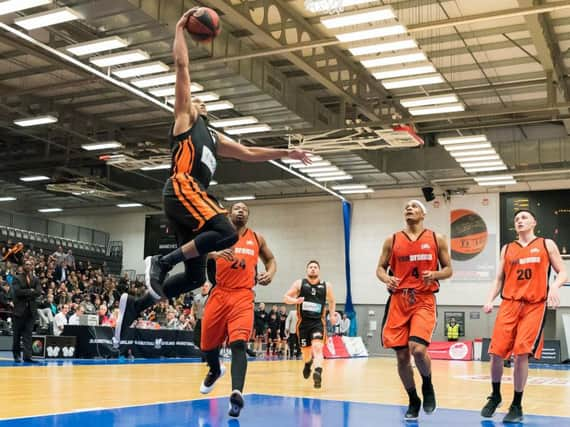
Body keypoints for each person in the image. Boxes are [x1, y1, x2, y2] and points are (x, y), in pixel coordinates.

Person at [113, 8, 310, 346]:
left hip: (192, 202)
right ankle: (162, 261)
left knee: (193, 277)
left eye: (201, 100)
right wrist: (179, 29)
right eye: (194, 98)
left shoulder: (213, 138)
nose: (197, 100)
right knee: (225, 230)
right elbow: (182, 68)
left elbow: (248, 153)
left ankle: (136, 306)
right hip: (181, 187)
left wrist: (286, 153)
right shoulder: (185, 120)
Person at [480, 209, 567, 423]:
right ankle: (496, 394)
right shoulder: (507, 248)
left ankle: (517, 404)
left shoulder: (547, 244)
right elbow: (498, 278)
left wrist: (555, 286)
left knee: (520, 354)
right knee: (496, 353)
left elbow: (563, 271)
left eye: (524, 217)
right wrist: (490, 299)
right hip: (509, 303)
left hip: (534, 305)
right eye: (517, 219)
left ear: (534, 222)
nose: (519, 221)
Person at [376, 199, 452, 420]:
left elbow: (448, 269)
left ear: (423, 214)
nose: (409, 208)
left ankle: (427, 385)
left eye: (414, 206)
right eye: (406, 207)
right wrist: (386, 278)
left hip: (424, 299)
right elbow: (380, 268)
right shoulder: (392, 240)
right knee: (401, 357)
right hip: (399, 300)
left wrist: (436, 274)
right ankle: (413, 399)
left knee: (418, 350)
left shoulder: (436, 239)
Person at [198, 202, 276, 418]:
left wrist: (271, 272)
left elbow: (270, 259)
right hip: (220, 293)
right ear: (230, 214)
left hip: (243, 295)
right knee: (207, 346)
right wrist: (214, 255)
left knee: (239, 343)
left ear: (248, 216)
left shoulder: (257, 238)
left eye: (245, 209)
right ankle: (215, 370)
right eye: (237, 208)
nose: (241, 211)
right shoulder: (216, 235)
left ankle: (236, 394)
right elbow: (197, 253)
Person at [284, 260, 336, 389]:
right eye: (310, 267)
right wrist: (296, 300)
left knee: (318, 347)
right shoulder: (300, 283)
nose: (313, 269)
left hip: (318, 322)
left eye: (315, 267)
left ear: (319, 270)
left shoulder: (326, 286)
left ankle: (318, 371)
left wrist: (333, 314)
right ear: (307, 270)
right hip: (303, 324)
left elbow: (332, 300)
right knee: (306, 353)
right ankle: (308, 364)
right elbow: (285, 297)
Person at [12, 259, 42, 363]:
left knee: (28, 335)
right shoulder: (17, 278)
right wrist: (30, 291)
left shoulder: (36, 279)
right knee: (17, 334)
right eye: (27, 264)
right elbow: (17, 292)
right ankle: (16, 355)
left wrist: (28, 292)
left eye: (30, 264)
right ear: (24, 266)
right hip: (19, 311)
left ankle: (27, 356)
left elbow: (39, 292)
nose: (29, 266)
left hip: (31, 311)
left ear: (33, 266)